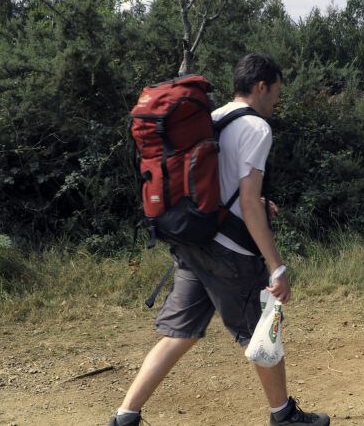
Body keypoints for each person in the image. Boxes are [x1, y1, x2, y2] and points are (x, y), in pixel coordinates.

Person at [109, 54, 329, 426]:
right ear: (262, 86)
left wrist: (256, 203)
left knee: (181, 333)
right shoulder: (257, 129)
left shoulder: (212, 118)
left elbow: (214, 181)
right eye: (276, 91)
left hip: (193, 241)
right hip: (228, 252)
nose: (277, 99)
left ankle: (125, 416)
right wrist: (276, 266)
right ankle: (284, 415)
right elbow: (245, 199)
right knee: (260, 333)